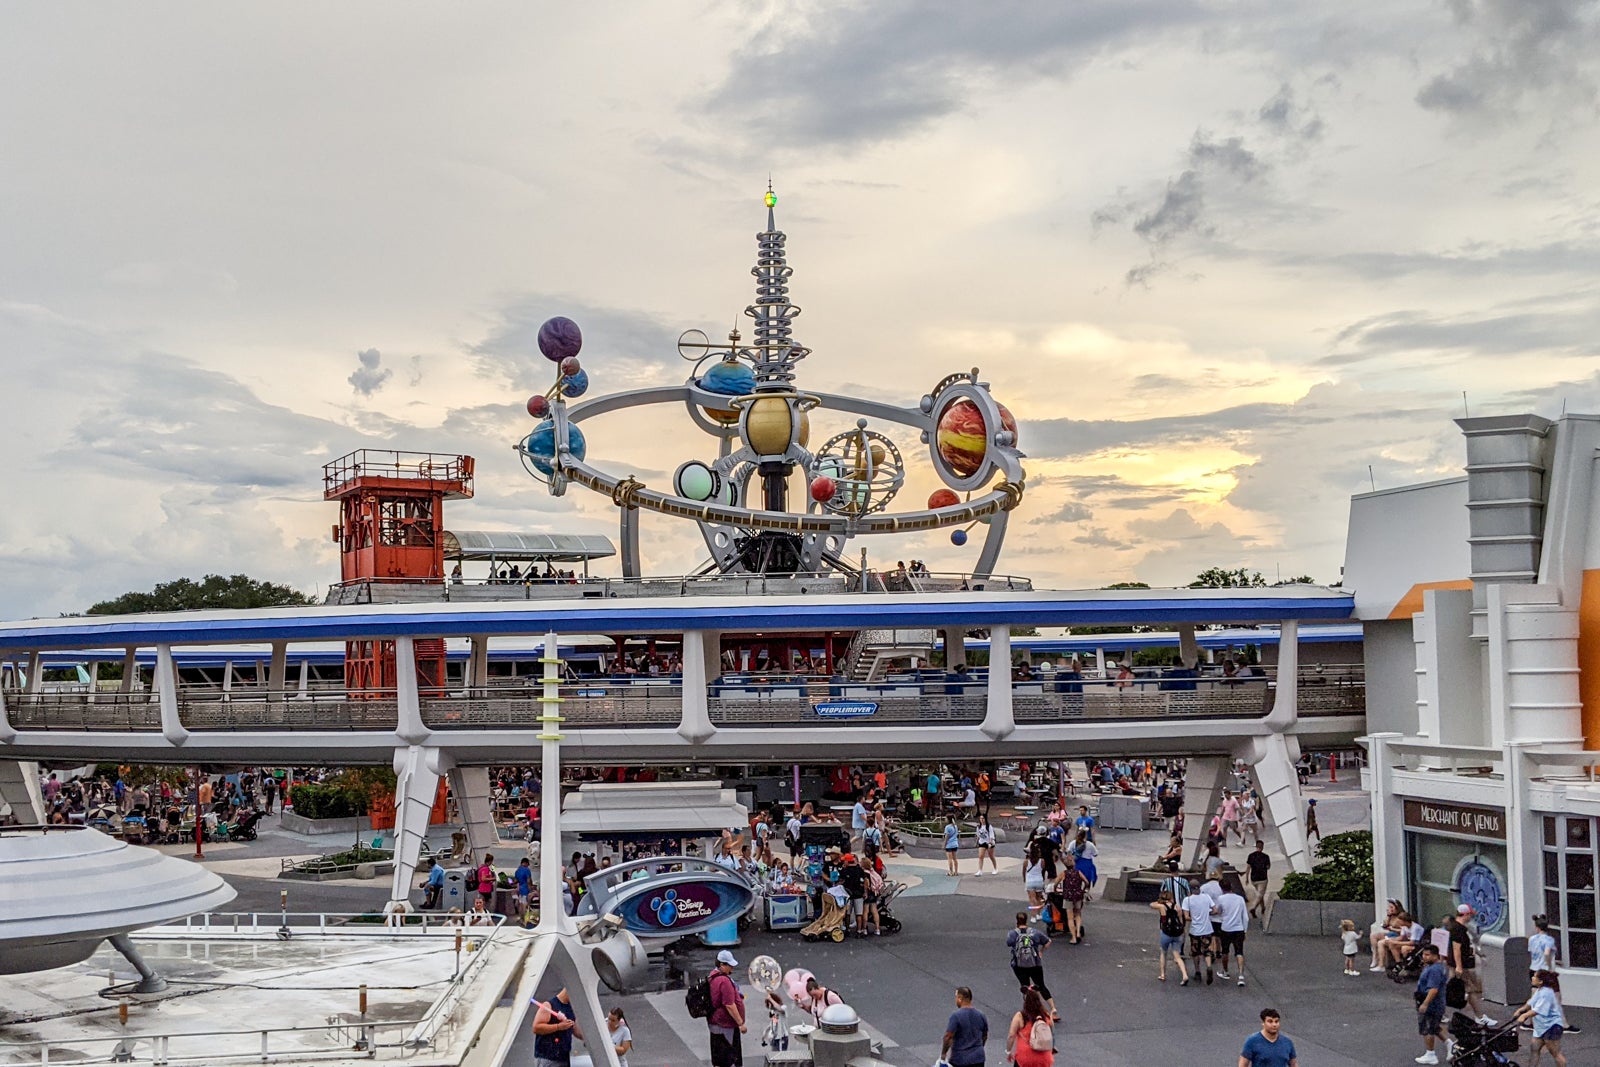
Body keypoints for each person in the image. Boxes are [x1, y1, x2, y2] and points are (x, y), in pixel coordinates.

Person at [1006, 911, 1061, 1021]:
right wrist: (1041, 952)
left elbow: (1009, 943)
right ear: (1026, 920)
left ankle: (1032, 1011)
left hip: (1019, 964)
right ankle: (1053, 1008)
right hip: (1035, 963)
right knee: (1041, 985)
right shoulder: (1035, 932)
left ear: (1017, 921)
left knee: (1025, 987)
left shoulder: (1013, 933)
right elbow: (1047, 941)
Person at [1510, 970, 1568, 1067]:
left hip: (1551, 1027)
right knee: (1534, 1049)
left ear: (1540, 981)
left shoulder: (1547, 993)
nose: (1532, 978)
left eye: (1534, 976)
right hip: (1541, 1027)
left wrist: (1524, 1015)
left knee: (1555, 1053)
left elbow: (1538, 1010)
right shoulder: (1540, 990)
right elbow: (1531, 1002)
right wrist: (1521, 1010)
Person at [1447, 906, 1493, 1024]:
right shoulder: (1459, 929)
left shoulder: (1455, 927)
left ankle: (1439, 1011)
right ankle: (1479, 1016)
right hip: (1461, 965)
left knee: (1453, 988)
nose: (1471, 917)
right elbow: (1457, 949)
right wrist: (1459, 966)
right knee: (1470, 990)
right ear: (1465, 914)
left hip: (1457, 964)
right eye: (1470, 915)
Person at [707, 949, 747, 1067]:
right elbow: (729, 1004)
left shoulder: (712, 976)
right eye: (729, 966)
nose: (732, 969)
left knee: (719, 1055)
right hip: (724, 1024)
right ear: (722, 965)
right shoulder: (723, 981)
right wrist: (740, 1023)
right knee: (728, 1057)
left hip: (716, 1022)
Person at [1412, 943, 1447, 1065]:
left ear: (1435, 956)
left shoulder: (1434, 970)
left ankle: (1430, 1054)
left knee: (1427, 1029)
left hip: (1432, 1004)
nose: (1424, 957)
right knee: (1435, 1027)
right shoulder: (1435, 967)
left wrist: (1425, 1004)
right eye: (1423, 954)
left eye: (1427, 955)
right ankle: (1450, 1044)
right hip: (1435, 1003)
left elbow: (1433, 989)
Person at [531, 987, 583, 1067]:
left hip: (563, 1057)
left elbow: (574, 1028)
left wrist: (587, 1038)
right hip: (548, 1057)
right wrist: (558, 1027)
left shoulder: (570, 1007)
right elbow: (536, 1027)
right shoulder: (549, 1006)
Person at [1004, 988, 1055, 1067]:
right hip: (1044, 1057)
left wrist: (1008, 1051)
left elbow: (1011, 1036)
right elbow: (1052, 1033)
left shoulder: (1020, 1016)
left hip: (1025, 1057)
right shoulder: (1045, 1015)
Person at [941, 986, 988, 1067]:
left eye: (956, 997)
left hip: (960, 1059)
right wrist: (979, 1048)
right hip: (978, 1058)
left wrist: (943, 1053)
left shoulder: (956, 1016)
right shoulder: (981, 1015)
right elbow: (984, 1036)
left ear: (960, 998)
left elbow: (948, 1037)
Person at [1150, 890, 1190, 984]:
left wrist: (1160, 901)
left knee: (1163, 953)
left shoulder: (1161, 906)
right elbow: (1181, 921)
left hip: (1166, 932)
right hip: (1177, 933)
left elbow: (1151, 904)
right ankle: (1184, 975)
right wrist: (1183, 933)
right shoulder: (1177, 907)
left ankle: (1162, 974)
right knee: (1177, 955)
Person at [1216, 881, 1250, 985]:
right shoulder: (1240, 899)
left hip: (1226, 928)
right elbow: (1245, 917)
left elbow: (1219, 911)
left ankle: (1225, 971)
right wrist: (1245, 930)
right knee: (1239, 952)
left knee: (1225, 951)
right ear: (1231, 887)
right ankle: (1240, 975)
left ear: (1222, 889)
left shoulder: (1221, 899)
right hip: (1239, 928)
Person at [1184, 884, 1218, 984]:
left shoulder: (1187, 900)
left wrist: (1194, 918)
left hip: (1195, 930)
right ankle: (1209, 966)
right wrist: (1207, 914)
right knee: (1207, 950)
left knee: (1196, 952)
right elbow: (1215, 910)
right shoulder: (1207, 897)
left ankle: (1198, 972)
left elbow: (1186, 917)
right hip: (1207, 929)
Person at [1244, 840, 1271, 919]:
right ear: (1262, 847)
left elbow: (1248, 868)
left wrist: (1246, 878)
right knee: (1260, 894)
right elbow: (1268, 867)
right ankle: (1253, 908)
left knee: (1260, 894)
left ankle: (1263, 908)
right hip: (1262, 878)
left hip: (1253, 878)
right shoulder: (1266, 856)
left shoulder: (1251, 856)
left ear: (1256, 846)